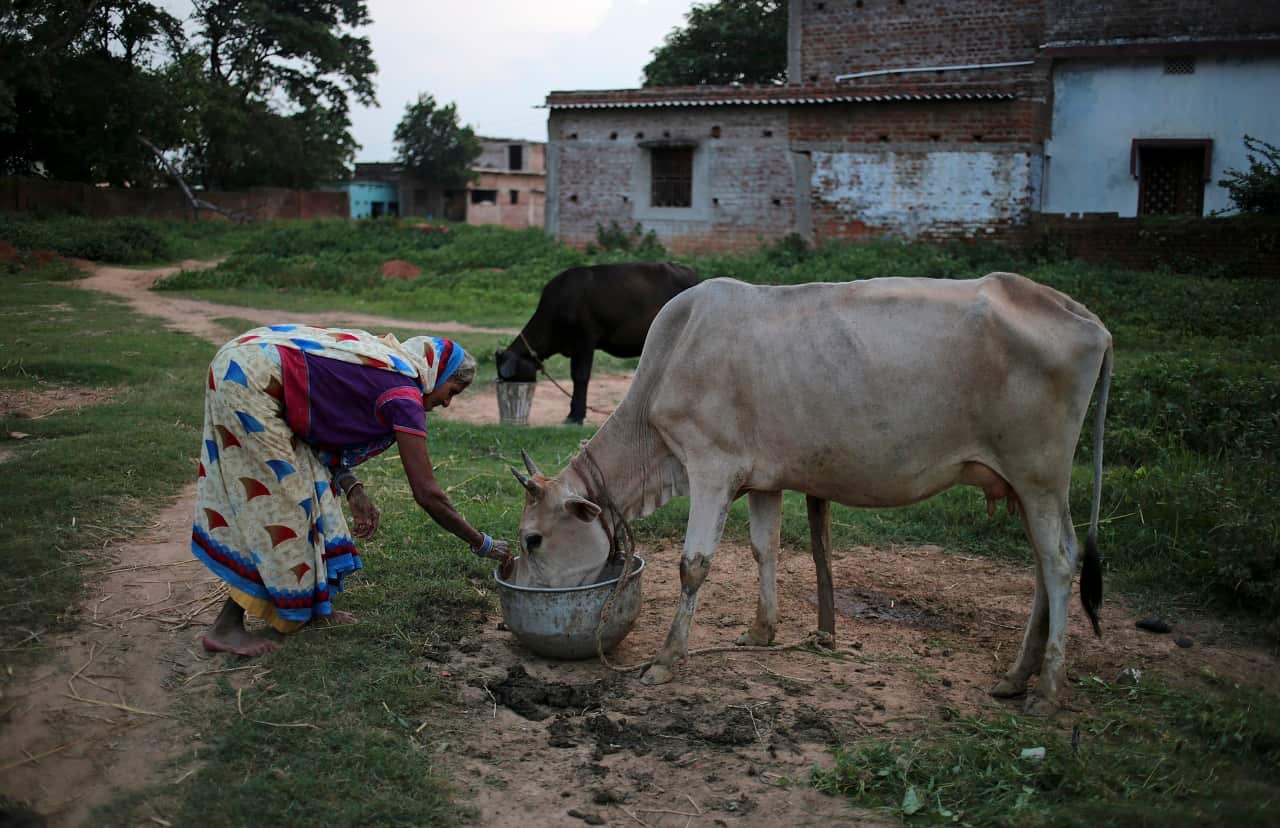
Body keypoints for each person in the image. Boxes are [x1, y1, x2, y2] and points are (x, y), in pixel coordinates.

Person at [191, 324, 511, 656]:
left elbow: (319, 428)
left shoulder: (391, 367)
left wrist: (353, 488)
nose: (447, 403)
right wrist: (482, 543)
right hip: (246, 378)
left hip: (251, 364)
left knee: (314, 491)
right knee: (281, 509)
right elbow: (427, 493)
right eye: (453, 391)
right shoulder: (403, 394)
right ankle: (225, 626)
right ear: (437, 372)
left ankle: (313, 609)